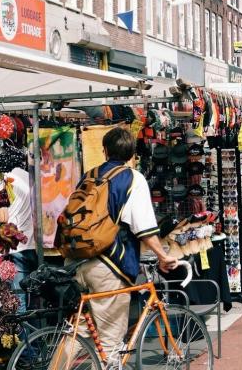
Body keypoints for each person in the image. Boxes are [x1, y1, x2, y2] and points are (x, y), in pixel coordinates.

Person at [72, 128, 179, 362]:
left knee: (78, 334)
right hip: (110, 265)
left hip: (78, 261)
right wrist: (163, 256)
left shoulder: (89, 175)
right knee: (110, 343)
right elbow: (145, 228)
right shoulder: (133, 178)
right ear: (133, 154)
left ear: (105, 151)